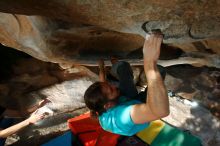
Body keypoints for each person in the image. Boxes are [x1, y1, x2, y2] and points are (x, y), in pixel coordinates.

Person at [84, 33, 169, 136]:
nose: (114, 86)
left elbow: (103, 83)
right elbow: (161, 111)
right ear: (108, 105)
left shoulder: (99, 104)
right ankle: (143, 78)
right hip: (143, 107)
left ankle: (115, 64)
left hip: (124, 99)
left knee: (122, 66)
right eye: (111, 89)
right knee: (159, 71)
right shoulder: (120, 118)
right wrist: (149, 63)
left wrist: (101, 67)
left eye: (110, 86)